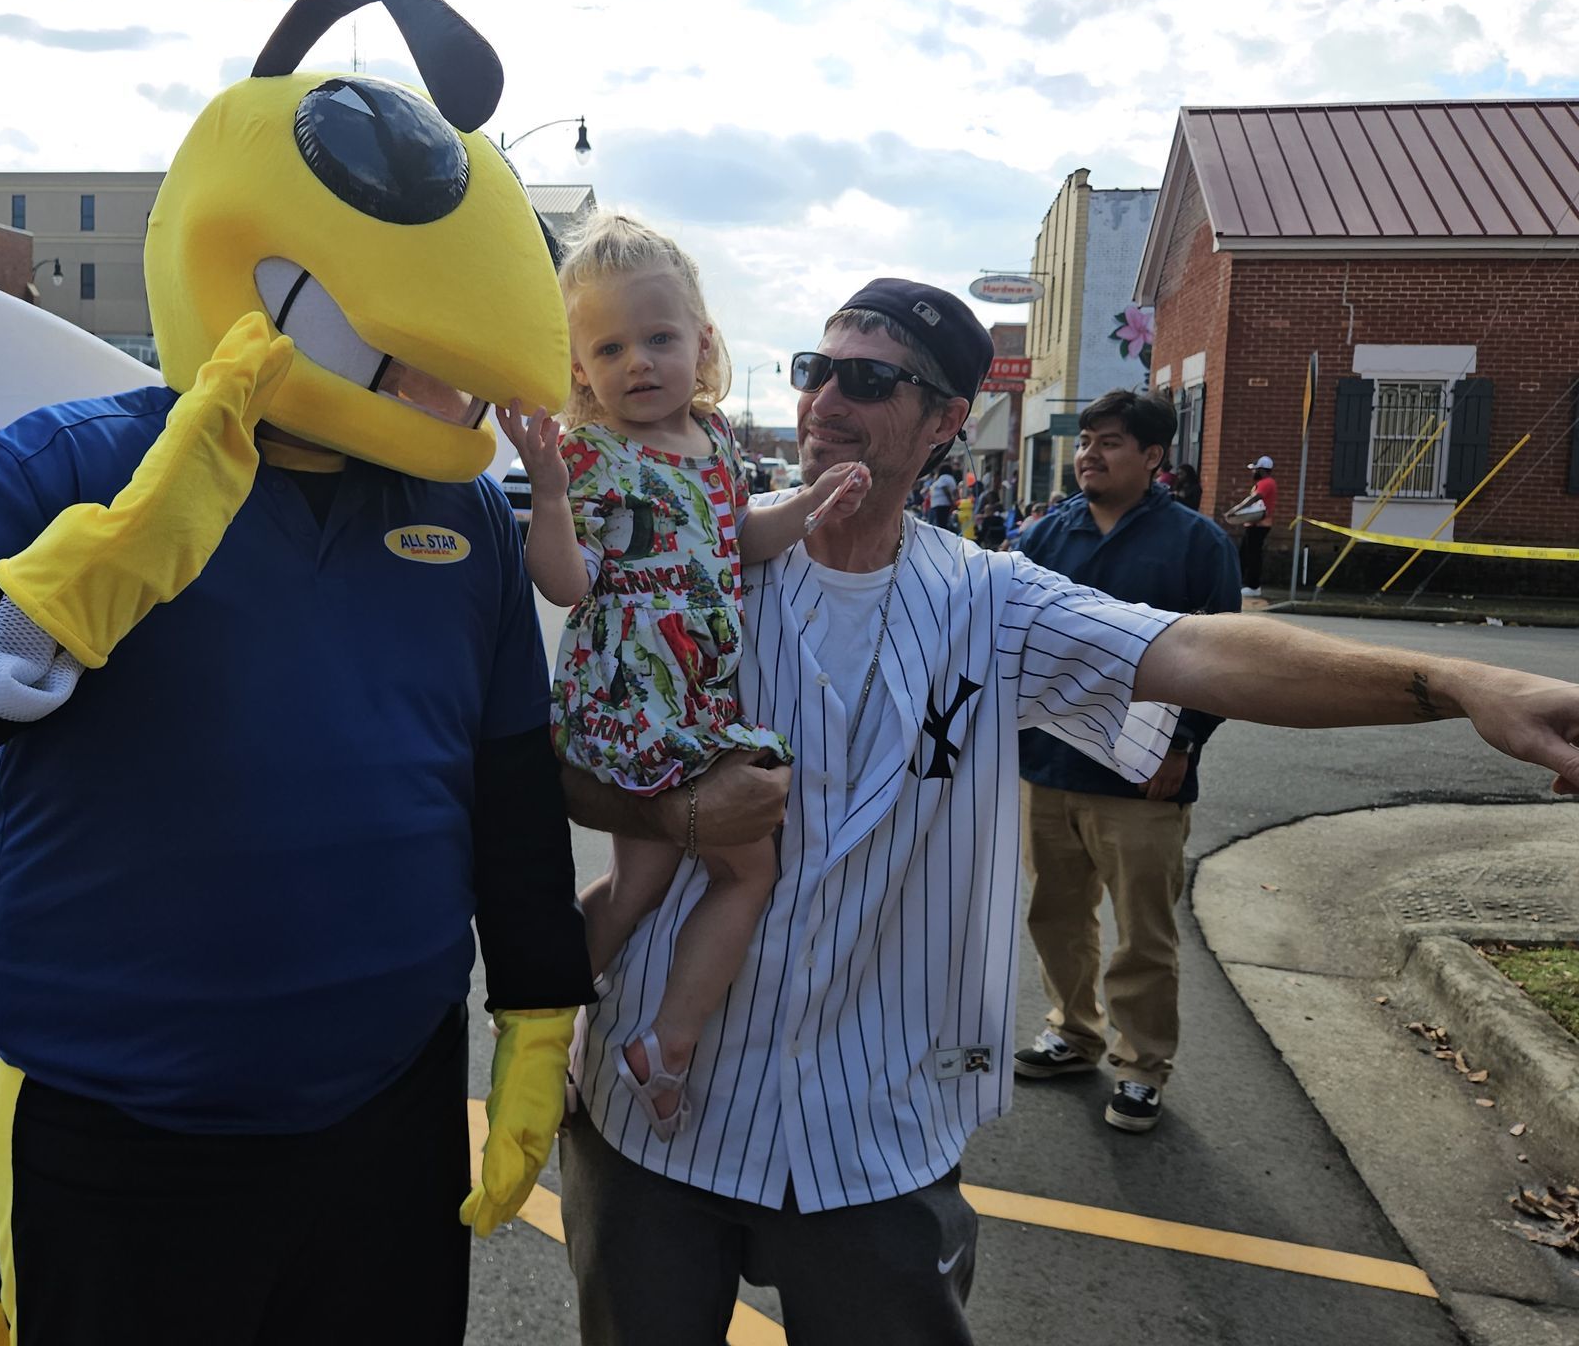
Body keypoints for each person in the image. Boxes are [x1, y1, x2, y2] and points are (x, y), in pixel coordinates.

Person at [0, 0, 593, 1346]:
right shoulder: (69, 460)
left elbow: (506, 790)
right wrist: (41, 606)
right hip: (121, 1126)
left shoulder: (460, 517)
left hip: (386, 1116)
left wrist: (536, 1015)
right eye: (426, 356)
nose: (462, 395)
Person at [552, 274, 1579, 1346]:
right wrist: (678, 825)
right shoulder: (693, 571)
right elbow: (552, 764)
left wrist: (1459, 684)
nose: (825, 401)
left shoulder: (990, 600)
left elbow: (1196, 650)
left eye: (871, 379)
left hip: (876, 1131)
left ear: (949, 420)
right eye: (818, 370)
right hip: (656, 1114)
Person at [500, 213, 868, 1141]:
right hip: (634, 695)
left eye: (659, 338)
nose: (638, 362)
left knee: (640, 886)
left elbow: (734, 542)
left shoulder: (713, 441)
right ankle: (665, 1047)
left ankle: (549, 1032)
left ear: (701, 342)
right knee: (748, 869)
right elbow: (565, 582)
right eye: (610, 346)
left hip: (695, 694)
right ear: (579, 366)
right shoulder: (587, 454)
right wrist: (547, 494)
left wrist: (811, 502)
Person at [1012, 389, 1240, 1133]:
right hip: (1049, 765)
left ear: (1152, 457)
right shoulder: (1048, 537)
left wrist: (1185, 743)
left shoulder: (1196, 544)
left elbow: (1227, 658)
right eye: (1086, 441)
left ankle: (1141, 1064)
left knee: (1143, 931)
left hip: (1143, 776)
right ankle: (1072, 1030)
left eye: (1110, 442)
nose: (1089, 454)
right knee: (1056, 910)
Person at [1225, 454, 1278, 595]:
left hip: (1259, 525)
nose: (1253, 472)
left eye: (1255, 469)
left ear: (1261, 470)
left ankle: (1253, 585)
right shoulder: (1264, 483)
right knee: (1245, 554)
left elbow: (1252, 500)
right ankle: (1243, 582)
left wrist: (1235, 510)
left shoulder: (1266, 483)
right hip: (1254, 525)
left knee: (1253, 555)